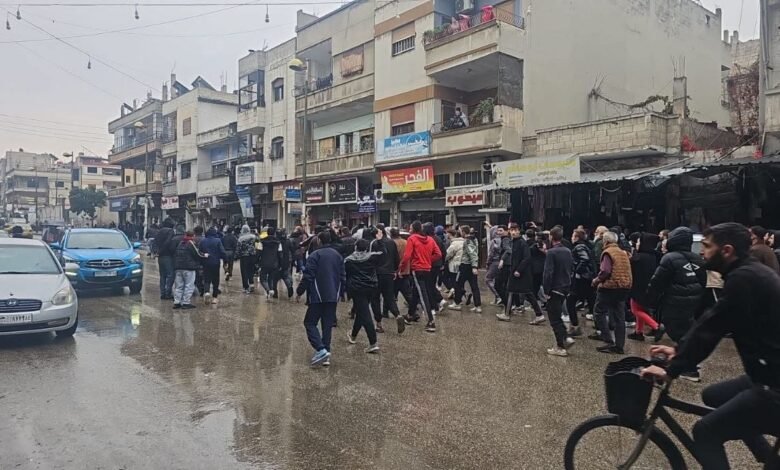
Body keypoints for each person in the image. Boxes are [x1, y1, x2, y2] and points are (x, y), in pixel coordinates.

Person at [641, 223, 780, 470]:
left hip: (774, 386)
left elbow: (711, 329)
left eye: (706, 246)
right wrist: (679, 350)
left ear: (726, 250)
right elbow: (710, 321)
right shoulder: (748, 273)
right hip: (767, 373)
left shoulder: (743, 279)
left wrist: (671, 369)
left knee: (705, 431)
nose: (702, 252)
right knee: (713, 395)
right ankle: (769, 458)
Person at [646, 226, 707, 380]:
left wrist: (651, 300)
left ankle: (689, 369)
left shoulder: (669, 258)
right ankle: (689, 362)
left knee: (678, 333)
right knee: (687, 332)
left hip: (674, 302)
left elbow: (657, 282)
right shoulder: (697, 259)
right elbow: (703, 281)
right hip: (692, 302)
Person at [296, 231, 345, 367]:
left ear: (319, 241)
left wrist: (299, 291)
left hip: (318, 295)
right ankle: (326, 353)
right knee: (327, 325)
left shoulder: (315, 255)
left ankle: (320, 348)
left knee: (309, 322)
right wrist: (341, 292)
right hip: (333, 295)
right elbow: (343, 275)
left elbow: (308, 276)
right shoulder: (337, 255)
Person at [590, 231, 632, 354]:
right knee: (620, 316)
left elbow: (605, 271)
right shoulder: (623, 253)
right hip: (624, 286)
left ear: (606, 241)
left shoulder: (608, 252)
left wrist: (596, 281)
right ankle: (619, 345)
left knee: (599, 312)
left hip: (610, 287)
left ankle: (607, 340)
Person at [398, 220, 442, 333]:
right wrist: (428, 260)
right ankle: (410, 315)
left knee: (423, 295)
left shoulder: (412, 239)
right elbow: (438, 254)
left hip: (417, 269)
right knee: (416, 292)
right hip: (427, 269)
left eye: (410, 228)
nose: (409, 230)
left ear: (414, 229)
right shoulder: (430, 239)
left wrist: (401, 268)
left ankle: (430, 321)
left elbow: (407, 256)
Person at [497, 224, 546, 323]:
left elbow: (526, 258)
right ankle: (508, 313)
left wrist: (519, 270)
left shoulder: (522, 243)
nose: (513, 232)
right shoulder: (515, 242)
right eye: (511, 230)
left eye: (515, 230)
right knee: (512, 291)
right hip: (516, 271)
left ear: (519, 231)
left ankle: (538, 314)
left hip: (521, 273)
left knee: (525, 292)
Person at [345, 239, 382, 353]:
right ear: (367, 248)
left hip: (357, 289)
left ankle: (373, 342)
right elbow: (383, 252)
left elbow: (346, 275)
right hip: (371, 287)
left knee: (365, 314)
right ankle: (353, 335)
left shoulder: (349, 260)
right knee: (362, 311)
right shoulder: (373, 257)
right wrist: (379, 239)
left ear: (355, 247)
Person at [543, 227, 574, 356]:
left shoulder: (551, 253)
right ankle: (565, 337)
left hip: (555, 288)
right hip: (565, 286)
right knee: (557, 315)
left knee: (554, 318)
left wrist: (546, 290)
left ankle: (560, 346)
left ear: (551, 237)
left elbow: (548, 273)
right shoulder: (568, 251)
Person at [628, 232, 664, 342]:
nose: (637, 243)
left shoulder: (639, 257)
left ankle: (656, 326)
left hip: (638, 288)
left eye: (639, 241)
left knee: (635, 310)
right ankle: (638, 332)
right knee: (640, 309)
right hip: (651, 287)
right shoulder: (656, 256)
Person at [374, 224, 405, 334]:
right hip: (389, 274)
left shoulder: (374, 243)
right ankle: (397, 315)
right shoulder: (392, 242)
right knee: (389, 297)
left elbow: (372, 259)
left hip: (377, 274)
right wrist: (395, 270)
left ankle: (379, 324)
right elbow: (396, 259)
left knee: (375, 299)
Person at [565, 228, 596, 336]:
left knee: (570, 300)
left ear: (577, 237)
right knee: (592, 301)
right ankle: (600, 328)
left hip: (581, 279)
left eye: (573, 236)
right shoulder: (587, 246)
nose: (571, 238)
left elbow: (584, 259)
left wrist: (577, 270)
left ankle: (575, 326)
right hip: (588, 278)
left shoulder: (579, 247)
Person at [173, 230, 208, 309]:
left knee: (179, 286)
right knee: (189, 285)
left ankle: (177, 302)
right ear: (193, 236)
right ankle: (186, 302)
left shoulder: (181, 243)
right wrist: (205, 255)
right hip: (189, 268)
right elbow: (197, 253)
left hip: (178, 267)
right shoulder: (191, 243)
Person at [450, 225, 482, 313]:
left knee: (458, 284)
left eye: (460, 231)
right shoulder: (475, 239)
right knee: (474, 286)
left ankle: (457, 303)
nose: (460, 232)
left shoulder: (468, 241)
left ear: (464, 232)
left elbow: (472, 254)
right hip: (471, 266)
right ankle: (477, 305)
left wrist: (474, 266)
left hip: (465, 265)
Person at [198, 227, 226, 305]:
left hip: (206, 263)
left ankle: (207, 292)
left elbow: (199, 252)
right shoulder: (218, 240)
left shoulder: (203, 241)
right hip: (215, 263)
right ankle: (214, 298)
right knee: (215, 280)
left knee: (207, 279)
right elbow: (222, 252)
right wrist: (225, 260)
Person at [485, 225, 508, 305]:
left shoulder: (494, 241)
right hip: (503, 262)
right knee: (496, 280)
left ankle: (498, 296)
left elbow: (491, 254)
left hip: (495, 262)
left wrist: (487, 263)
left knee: (488, 279)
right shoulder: (505, 240)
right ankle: (497, 298)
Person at [258, 227, 283, 300]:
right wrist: (280, 264)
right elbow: (280, 255)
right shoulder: (278, 242)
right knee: (271, 278)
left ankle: (268, 290)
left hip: (264, 263)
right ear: (274, 233)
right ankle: (271, 290)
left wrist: (256, 262)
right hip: (274, 264)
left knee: (263, 279)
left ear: (267, 233)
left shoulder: (262, 241)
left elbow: (258, 253)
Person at [155, 218, 176, 300]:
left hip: (160, 256)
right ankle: (168, 293)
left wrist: (158, 252)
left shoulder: (159, 231)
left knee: (162, 275)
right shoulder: (170, 231)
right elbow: (168, 242)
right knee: (170, 275)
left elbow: (155, 242)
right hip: (168, 255)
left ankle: (162, 293)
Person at [391, 227, 413, 306]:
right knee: (407, 292)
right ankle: (412, 307)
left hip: (394, 271)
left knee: (391, 293)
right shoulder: (406, 242)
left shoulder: (391, 243)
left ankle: (389, 310)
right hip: (405, 270)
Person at [445, 228, 465, 308]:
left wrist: (445, 260)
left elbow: (448, 254)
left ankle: (457, 303)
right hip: (462, 265)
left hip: (454, 266)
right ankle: (460, 298)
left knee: (455, 284)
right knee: (459, 283)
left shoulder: (454, 244)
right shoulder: (464, 242)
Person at [236, 225, 257, 294]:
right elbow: (258, 244)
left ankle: (246, 287)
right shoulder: (254, 237)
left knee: (244, 272)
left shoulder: (240, 239)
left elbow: (238, 248)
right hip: (252, 256)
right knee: (251, 270)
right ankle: (251, 284)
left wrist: (236, 256)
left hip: (244, 257)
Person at [275, 229, 294, 299]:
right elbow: (292, 250)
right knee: (285, 276)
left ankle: (275, 292)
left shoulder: (276, 242)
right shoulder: (288, 241)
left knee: (275, 279)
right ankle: (289, 287)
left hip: (277, 263)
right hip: (286, 261)